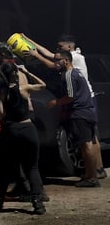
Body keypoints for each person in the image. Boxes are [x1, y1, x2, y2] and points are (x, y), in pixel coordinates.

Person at [24, 33, 106, 179]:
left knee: (87, 141)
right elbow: (50, 54)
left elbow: (51, 63)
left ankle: (92, 174)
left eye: (60, 47)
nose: (57, 50)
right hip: (87, 100)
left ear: (69, 47)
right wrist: (29, 41)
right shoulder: (74, 58)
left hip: (82, 102)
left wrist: (35, 55)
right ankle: (98, 169)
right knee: (92, 139)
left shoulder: (74, 60)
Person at [0, 57, 47, 215]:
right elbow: (43, 85)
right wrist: (27, 72)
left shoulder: (1, 93)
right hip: (28, 128)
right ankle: (37, 203)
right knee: (32, 168)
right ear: (15, 73)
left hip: (10, 130)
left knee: (6, 168)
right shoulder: (23, 88)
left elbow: (0, 115)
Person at [49, 50, 102, 187]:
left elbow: (71, 96)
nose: (56, 63)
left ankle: (91, 178)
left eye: (58, 60)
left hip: (80, 113)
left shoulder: (69, 75)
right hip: (89, 112)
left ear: (66, 60)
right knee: (88, 144)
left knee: (86, 145)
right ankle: (91, 174)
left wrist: (56, 102)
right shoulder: (78, 72)